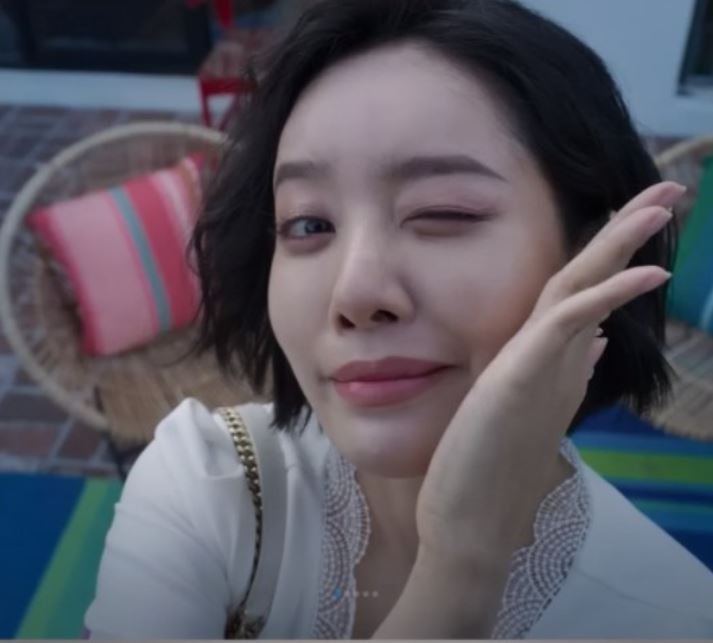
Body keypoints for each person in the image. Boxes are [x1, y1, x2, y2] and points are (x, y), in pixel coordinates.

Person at [85, 0, 713, 638]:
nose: (355, 293)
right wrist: (459, 573)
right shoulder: (211, 481)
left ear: (593, 255)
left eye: (443, 212)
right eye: (309, 223)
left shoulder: (676, 617)